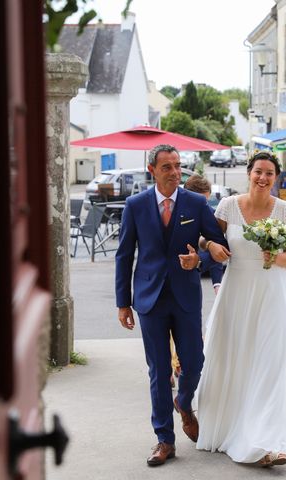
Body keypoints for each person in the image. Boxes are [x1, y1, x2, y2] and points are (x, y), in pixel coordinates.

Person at [115, 144, 230, 467]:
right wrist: (123, 303)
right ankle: (164, 439)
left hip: (186, 297)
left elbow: (219, 245)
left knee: (194, 363)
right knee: (159, 371)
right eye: (167, 167)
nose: (175, 172)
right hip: (149, 299)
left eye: (178, 166)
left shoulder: (195, 202)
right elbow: (124, 255)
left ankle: (184, 401)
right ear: (152, 170)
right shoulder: (135, 205)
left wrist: (200, 259)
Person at [196, 151, 286, 467]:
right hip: (236, 290)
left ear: (276, 177)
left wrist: (275, 258)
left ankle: (269, 442)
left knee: (268, 364)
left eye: (269, 173)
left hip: (271, 292)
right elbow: (204, 238)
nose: (263, 177)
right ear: (249, 173)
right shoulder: (228, 207)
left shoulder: (285, 210)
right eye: (258, 171)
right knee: (234, 358)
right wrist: (210, 246)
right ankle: (232, 428)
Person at [167, 175, 225, 388]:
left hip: (189, 280)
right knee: (165, 332)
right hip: (163, 279)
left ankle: (179, 367)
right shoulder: (169, 208)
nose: (203, 206)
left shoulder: (205, 211)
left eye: (206, 201)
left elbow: (217, 248)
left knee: (187, 332)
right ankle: (168, 369)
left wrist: (217, 283)